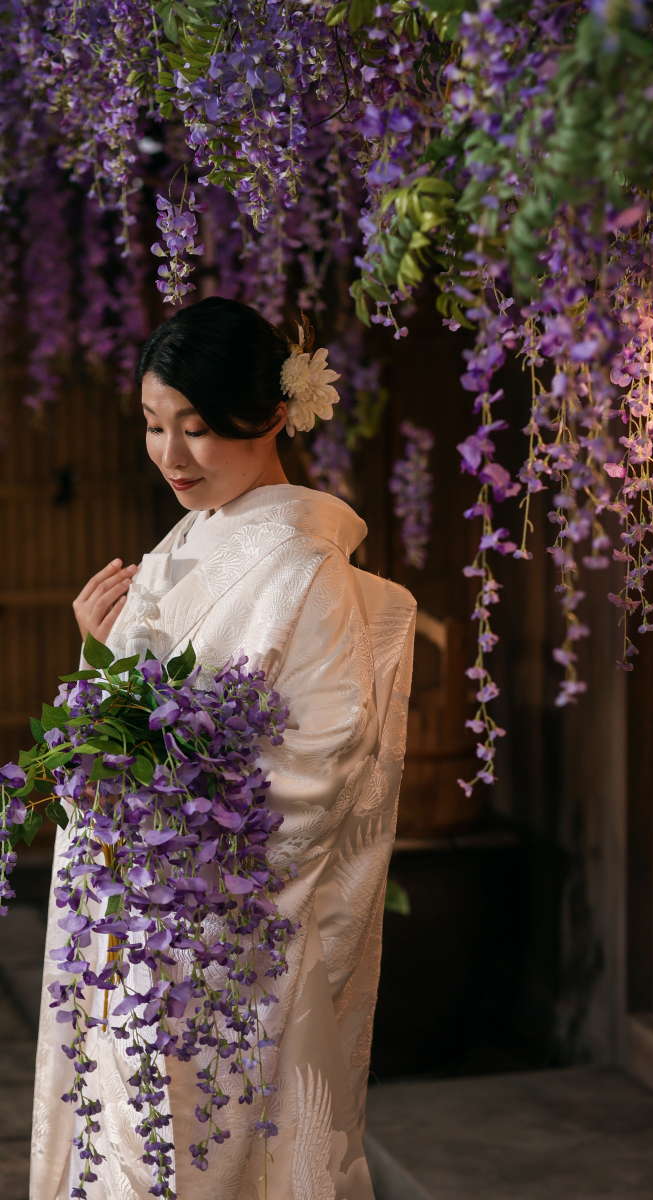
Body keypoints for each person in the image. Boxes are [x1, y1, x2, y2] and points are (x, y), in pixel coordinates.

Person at [30, 297, 416, 1200]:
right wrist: (98, 653)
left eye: (197, 428)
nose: (171, 455)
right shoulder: (188, 538)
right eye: (153, 424)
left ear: (274, 414)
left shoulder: (305, 568)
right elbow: (139, 708)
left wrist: (166, 830)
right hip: (138, 908)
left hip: (213, 918)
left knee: (205, 1153)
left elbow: (317, 768)